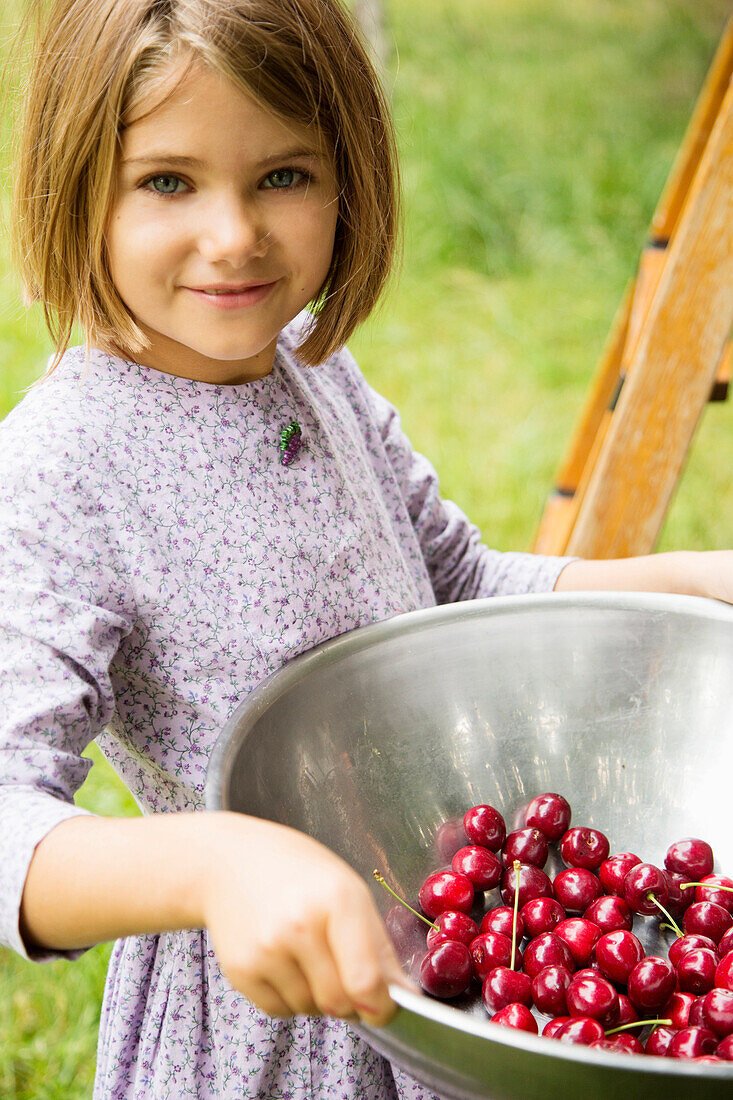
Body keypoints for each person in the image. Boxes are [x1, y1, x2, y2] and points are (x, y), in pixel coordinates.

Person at [0, 1, 731, 1097]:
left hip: (441, 966)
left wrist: (683, 581)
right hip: (271, 1028)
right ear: (73, 183)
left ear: (350, 176)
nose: (234, 233)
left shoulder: (308, 365)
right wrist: (219, 861)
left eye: (283, 176)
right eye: (166, 180)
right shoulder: (65, 463)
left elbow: (460, 590)